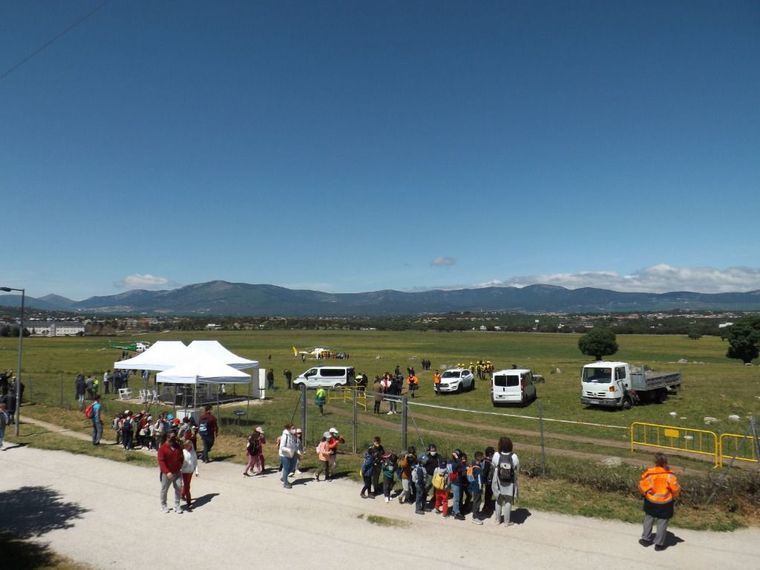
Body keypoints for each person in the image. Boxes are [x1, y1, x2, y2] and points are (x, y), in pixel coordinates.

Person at [639, 453, 680, 551]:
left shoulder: (649, 473)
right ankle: (659, 544)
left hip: (651, 501)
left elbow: (642, 485)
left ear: (655, 462)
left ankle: (645, 539)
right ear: (666, 462)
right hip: (665, 503)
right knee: (662, 522)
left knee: (648, 519)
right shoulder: (670, 475)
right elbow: (675, 489)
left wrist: (645, 493)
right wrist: (674, 497)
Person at [492, 437, 520, 526]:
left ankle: (497, 520)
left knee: (498, 499)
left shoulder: (496, 455)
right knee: (508, 500)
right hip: (510, 482)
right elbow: (517, 468)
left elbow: (493, 465)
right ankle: (507, 522)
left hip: (498, 479)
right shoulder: (514, 456)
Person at [158, 432, 184, 514]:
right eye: (172, 437)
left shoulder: (177, 446)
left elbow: (181, 457)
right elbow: (161, 462)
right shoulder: (162, 448)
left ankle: (177, 505)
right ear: (167, 438)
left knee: (179, 487)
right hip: (167, 474)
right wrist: (167, 472)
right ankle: (163, 505)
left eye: (174, 437)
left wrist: (180, 466)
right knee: (164, 490)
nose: (174, 439)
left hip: (177, 472)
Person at [278, 423, 298, 489]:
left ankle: (284, 477)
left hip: (292, 453)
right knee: (286, 468)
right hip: (284, 454)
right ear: (288, 429)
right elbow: (282, 447)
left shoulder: (292, 435)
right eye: (292, 428)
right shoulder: (285, 436)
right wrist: (288, 450)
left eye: (294, 428)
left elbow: (294, 443)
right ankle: (285, 483)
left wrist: (297, 450)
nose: (294, 429)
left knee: (292, 467)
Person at [180, 439, 199, 510]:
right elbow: (180, 461)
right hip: (184, 472)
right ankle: (189, 502)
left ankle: (182, 495)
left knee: (187, 485)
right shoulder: (182, 452)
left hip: (190, 471)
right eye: (185, 446)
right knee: (187, 487)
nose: (186, 447)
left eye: (187, 445)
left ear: (190, 445)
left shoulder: (193, 452)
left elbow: (195, 462)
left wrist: (196, 471)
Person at [448, 449, 466, 520]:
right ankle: (456, 513)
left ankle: (453, 510)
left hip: (458, 482)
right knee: (456, 499)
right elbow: (457, 467)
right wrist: (458, 459)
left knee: (457, 498)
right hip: (455, 482)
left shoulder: (457, 462)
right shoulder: (451, 462)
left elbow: (462, 469)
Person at [468, 451, 484, 524]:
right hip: (478, 487)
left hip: (473, 485)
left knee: (475, 500)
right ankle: (475, 517)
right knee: (477, 501)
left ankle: (475, 514)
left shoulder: (472, 465)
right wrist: (481, 488)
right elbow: (479, 479)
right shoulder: (478, 468)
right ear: (479, 458)